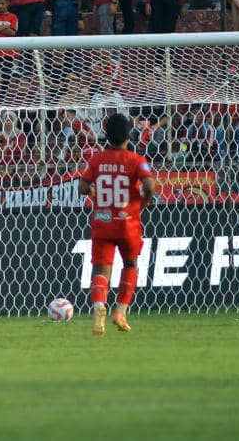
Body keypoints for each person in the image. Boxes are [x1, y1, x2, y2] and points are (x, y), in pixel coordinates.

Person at [77, 113, 156, 336]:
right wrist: (143, 202)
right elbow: (150, 185)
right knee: (130, 264)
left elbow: (82, 188)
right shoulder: (135, 160)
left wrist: (96, 193)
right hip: (128, 223)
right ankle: (120, 311)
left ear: (106, 135)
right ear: (129, 135)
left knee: (101, 269)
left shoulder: (97, 160)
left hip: (102, 223)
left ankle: (99, 305)